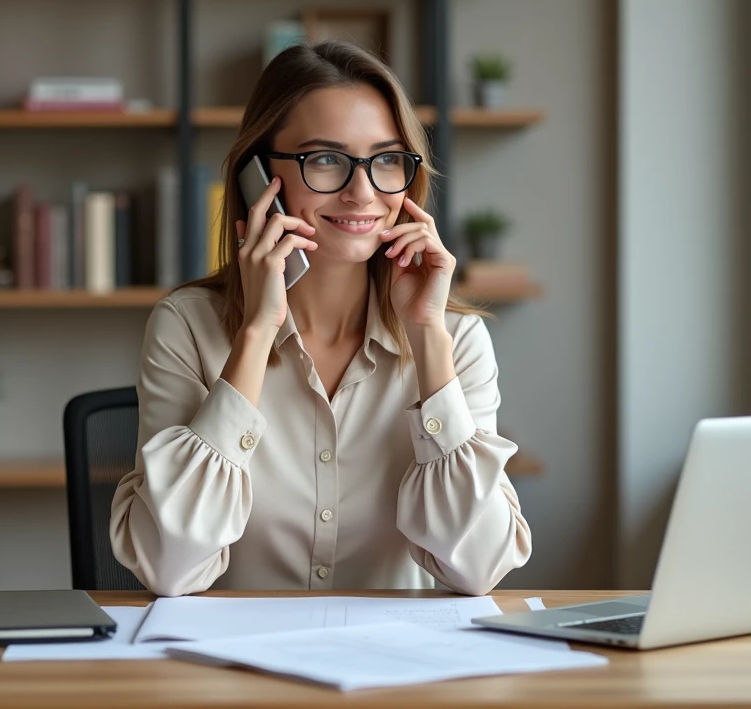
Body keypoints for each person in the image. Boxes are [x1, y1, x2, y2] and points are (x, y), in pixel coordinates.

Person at [110, 40, 531, 596]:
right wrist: (257, 333)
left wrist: (429, 339)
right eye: (326, 159)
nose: (363, 193)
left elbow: (479, 569)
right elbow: (168, 569)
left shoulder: (455, 337)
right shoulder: (187, 328)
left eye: (385, 160)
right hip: (234, 670)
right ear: (257, 178)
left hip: (398, 675)